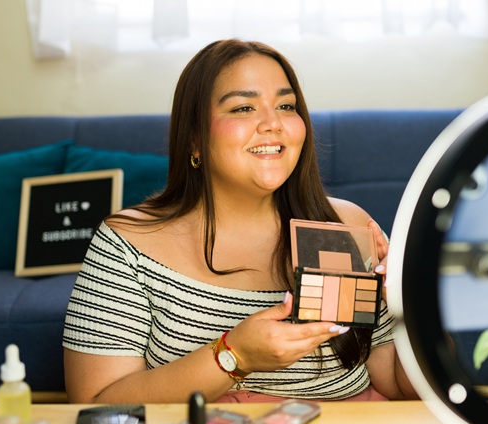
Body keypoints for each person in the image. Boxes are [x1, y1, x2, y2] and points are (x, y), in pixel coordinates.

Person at [62, 38, 418, 404]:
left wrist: (414, 305)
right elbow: (95, 405)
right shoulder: (128, 240)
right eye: (244, 107)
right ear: (195, 140)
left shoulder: (345, 226)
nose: (273, 123)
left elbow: (397, 381)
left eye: (286, 105)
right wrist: (234, 356)